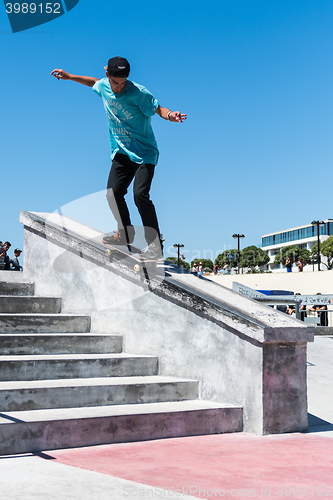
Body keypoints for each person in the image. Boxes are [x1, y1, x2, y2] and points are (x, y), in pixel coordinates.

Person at [51, 57, 186, 259]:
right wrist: (70, 77)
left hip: (145, 154)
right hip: (122, 152)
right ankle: (125, 233)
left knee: (140, 194)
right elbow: (92, 82)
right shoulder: (104, 86)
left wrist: (169, 116)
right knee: (113, 193)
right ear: (108, 76)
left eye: (123, 83)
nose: (119, 87)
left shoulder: (139, 93)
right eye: (115, 82)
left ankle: (155, 246)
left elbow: (158, 108)